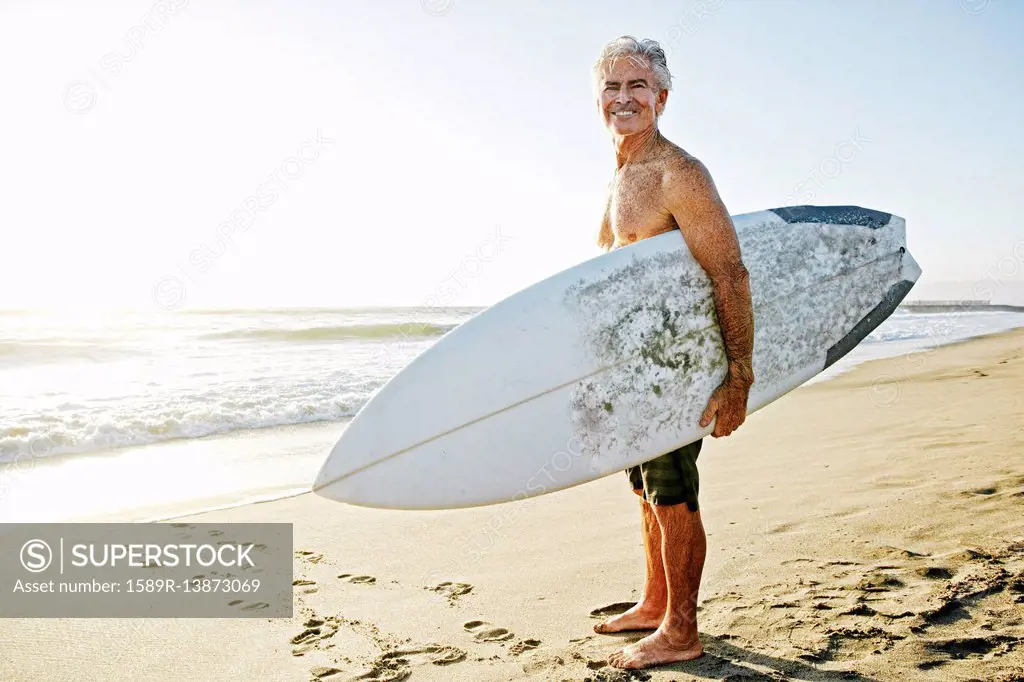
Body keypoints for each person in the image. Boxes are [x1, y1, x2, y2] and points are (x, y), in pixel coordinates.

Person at [590, 36, 755, 670]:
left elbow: (730, 273)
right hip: (638, 367)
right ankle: (656, 601)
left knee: (672, 492)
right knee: (643, 486)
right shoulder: (622, 175)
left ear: (662, 96)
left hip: (680, 365)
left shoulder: (676, 174)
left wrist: (738, 374)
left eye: (637, 86)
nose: (623, 98)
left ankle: (682, 631)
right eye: (612, 87)